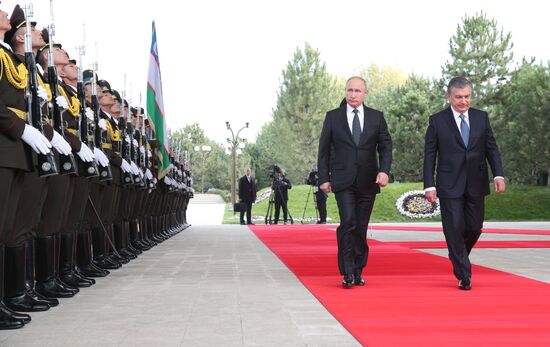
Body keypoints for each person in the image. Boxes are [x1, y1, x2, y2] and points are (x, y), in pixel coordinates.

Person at [423, 76, 505, 291]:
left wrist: (498, 175)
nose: (463, 101)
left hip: (476, 182)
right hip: (449, 183)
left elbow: (491, 148)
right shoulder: (437, 121)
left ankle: (456, 253)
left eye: (467, 96)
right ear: (449, 97)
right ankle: (464, 274)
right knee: (454, 227)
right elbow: (430, 155)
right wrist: (429, 185)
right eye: (458, 97)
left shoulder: (481, 118)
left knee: (474, 227)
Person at [317, 76, 392, 289]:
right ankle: (347, 271)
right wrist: (324, 178)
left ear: (365, 93)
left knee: (360, 226)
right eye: (349, 90)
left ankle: (359, 269)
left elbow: (385, 146)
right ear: (345, 92)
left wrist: (384, 171)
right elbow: (323, 150)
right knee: (348, 222)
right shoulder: (333, 117)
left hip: (368, 180)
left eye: (357, 91)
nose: (353, 94)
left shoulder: (377, 117)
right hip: (343, 180)